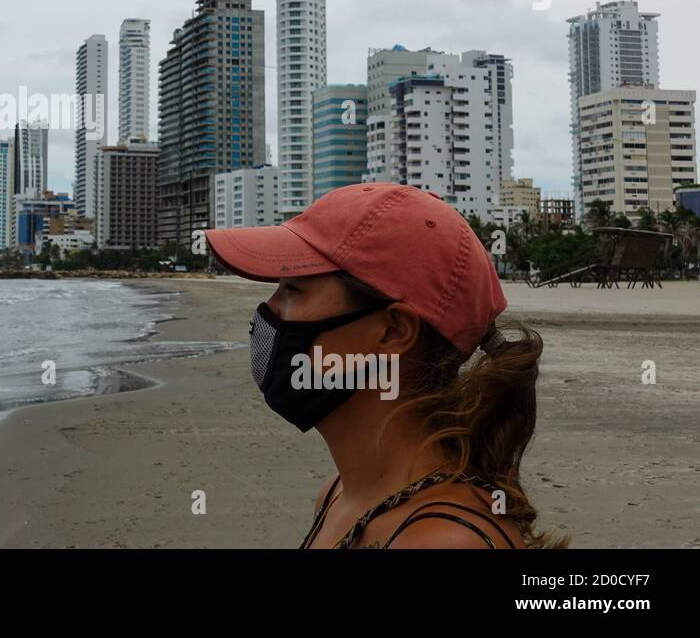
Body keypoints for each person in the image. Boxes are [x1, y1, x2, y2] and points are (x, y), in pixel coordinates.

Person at [205, 182, 567, 549]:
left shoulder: (444, 542)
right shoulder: (338, 494)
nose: (268, 312)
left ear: (394, 331)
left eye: (293, 290)